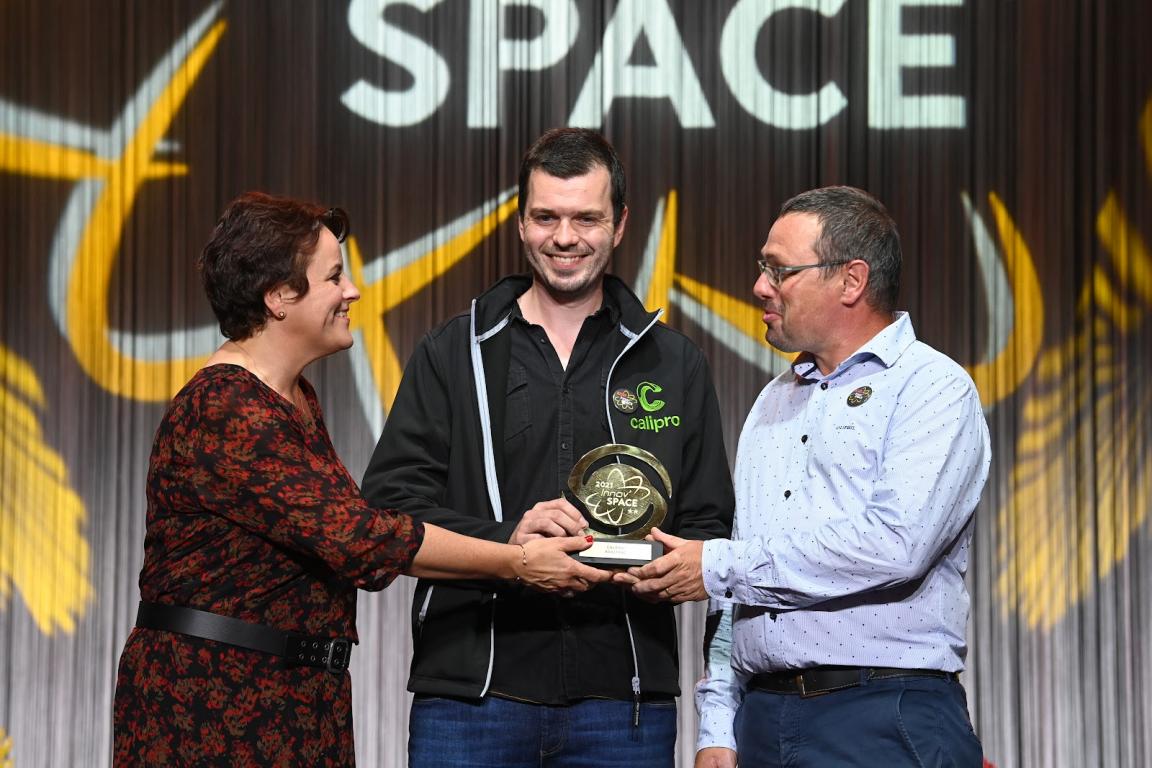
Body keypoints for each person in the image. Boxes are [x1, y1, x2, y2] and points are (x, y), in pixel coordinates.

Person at [112, 191, 609, 767]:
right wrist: (516, 560)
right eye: (333, 277)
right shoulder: (225, 406)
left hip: (293, 701)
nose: (352, 291)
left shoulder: (295, 397)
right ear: (278, 296)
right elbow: (361, 540)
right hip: (210, 707)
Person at [361, 128, 734, 767]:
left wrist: (665, 569)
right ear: (520, 222)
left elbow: (709, 527)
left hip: (624, 703)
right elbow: (388, 515)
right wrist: (509, 542)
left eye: (586, 218)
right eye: (546, 217)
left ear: (620, 224)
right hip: (470, 700)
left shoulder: (673, 362)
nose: (564, 237)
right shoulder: (453, 352)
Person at [617, 186, 991, 767]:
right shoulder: (773, 400)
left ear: (851, 280)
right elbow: (741, 572)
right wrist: (718, 726)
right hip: (763, 719)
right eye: (763, 267)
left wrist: (716, 565)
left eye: (779, 270)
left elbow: (895, 546)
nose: (759, 286)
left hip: (883, 714)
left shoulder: (932, 387)